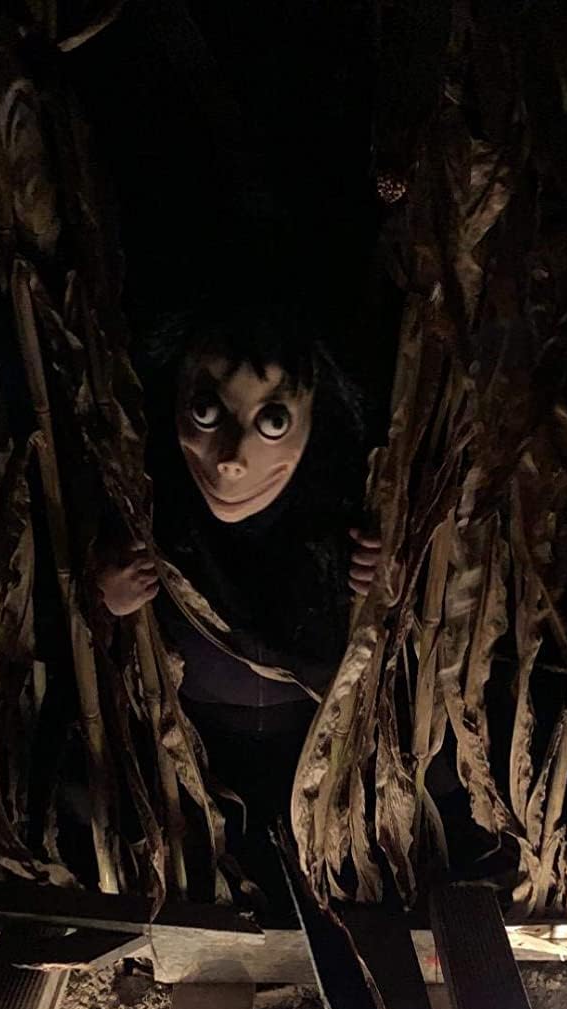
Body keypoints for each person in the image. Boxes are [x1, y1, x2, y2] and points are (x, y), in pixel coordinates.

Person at [93, 295, 381, 892]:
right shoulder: (151, 508)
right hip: (194, 741)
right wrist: (109, 598)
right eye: (206, 412)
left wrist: (379, 583)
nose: (230, 459)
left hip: (314, 746)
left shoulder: (340, 515)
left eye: (272, 422)